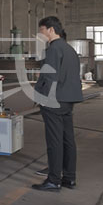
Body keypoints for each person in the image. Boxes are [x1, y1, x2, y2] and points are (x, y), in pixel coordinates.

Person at [32, 16, 83, 192]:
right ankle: (69, 178)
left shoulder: (53, 49)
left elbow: (51, 77)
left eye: (42, 30)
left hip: (54, 100)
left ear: (51, 30)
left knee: (54, 140)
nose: (40, 34)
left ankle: (54, 180)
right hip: (68, 99)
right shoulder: (69, 49)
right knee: (68, 139)